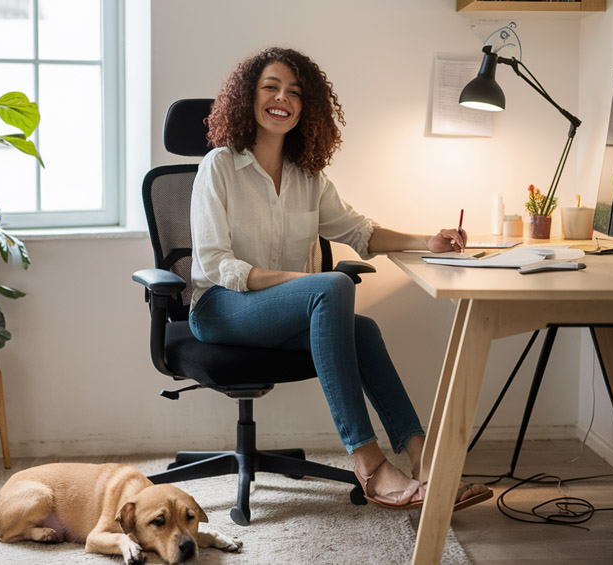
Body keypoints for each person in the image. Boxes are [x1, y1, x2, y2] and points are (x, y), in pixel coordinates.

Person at [189, 47, 491, 510]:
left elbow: (360, 231)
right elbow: (215, 264)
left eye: (294, 92)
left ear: (306, 108)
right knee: (331, 285)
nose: (282, 98)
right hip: (220, 308)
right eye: (271, 87)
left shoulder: (308, 177)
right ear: (248, 97)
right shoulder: (220, 166)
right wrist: (298, 283)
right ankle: (368, 463)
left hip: (275, 310)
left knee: (361, 330)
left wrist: (426, 240)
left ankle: (424, 459)